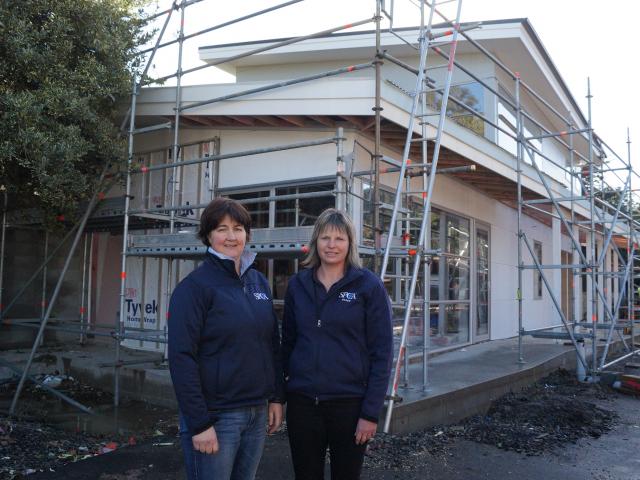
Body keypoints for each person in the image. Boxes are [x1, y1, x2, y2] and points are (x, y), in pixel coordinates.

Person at [168, 197, 284, 480]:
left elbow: (272, 344)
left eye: (238, 228)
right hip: (218, 418)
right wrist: (199, 424)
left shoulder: (258, 282)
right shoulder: (194, 288)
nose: (231, 236)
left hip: (257, 412)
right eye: (221, 229)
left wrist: (276, 398)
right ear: (208, 235)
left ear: (247, 233)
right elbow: (181, 357)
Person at [282, 208, 393, 480]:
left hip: (350, 405)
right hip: (303, 405)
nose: (331, 245)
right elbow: (287, 344)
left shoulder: (368, 287)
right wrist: (280, 395)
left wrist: (370, 413)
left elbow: (382, 354)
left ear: (350, 244)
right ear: (315, 242)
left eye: (339, 238)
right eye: (325, 238)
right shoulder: (298, 285)